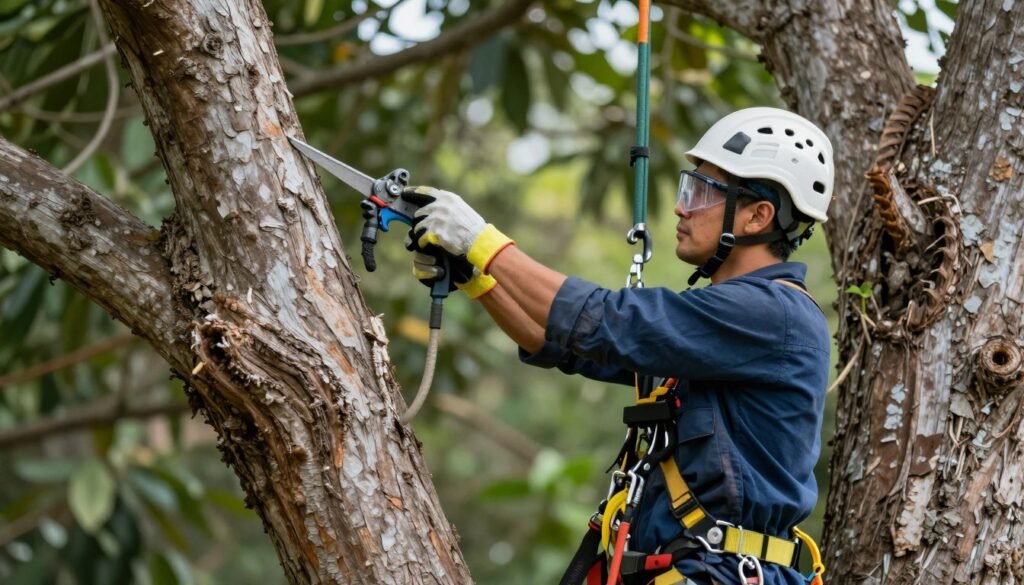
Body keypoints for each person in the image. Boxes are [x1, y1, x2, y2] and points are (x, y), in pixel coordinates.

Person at [403, 107, 834, 585]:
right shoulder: (722, 322)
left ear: (758, 216)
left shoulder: (774, 315)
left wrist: (483, 242)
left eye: (703, 193)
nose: (681, 208)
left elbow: (609, 320)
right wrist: (476, 279)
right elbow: (568, 345)